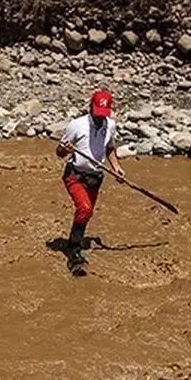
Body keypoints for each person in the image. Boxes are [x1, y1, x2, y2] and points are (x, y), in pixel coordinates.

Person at [56, 89, 126, 268]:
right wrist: (66, 149)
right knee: (85, 209)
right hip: (75, 175)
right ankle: (74, 253)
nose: (100, 117)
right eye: (97, 113)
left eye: (103, 114)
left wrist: (116, 167)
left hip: (95, 177)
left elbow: (109, 148)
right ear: (90, 107)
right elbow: (59, 152)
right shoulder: (76, 125)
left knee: (86, 214)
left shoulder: (110, 126)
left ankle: (74, 242)